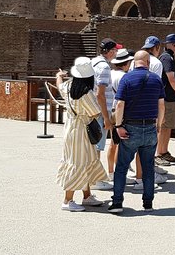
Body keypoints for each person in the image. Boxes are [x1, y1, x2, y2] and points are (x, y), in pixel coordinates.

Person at [110, 51, 165, 213]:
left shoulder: (127, 78)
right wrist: (159, 125)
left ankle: (117, 203)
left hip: (130, 127)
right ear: (147, 62)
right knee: (148, 167)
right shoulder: (156, 79)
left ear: (134, 62)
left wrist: (119, 125)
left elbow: (120, 104)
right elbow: (161, 105)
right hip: (149, 127)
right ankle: (148, 203)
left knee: (121, 167)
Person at [56, 57, 108, 211]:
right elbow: (95, 112)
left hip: (71, 127)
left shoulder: (68, 86)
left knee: (81, 161)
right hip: (82, 130)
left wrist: (59, 75)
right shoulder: (86, 93)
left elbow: (59, 86)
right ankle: (67, 200)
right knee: (79, 162)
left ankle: (87, 196)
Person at [129, 36, 168, 186]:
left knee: (136, 142)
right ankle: (148, 172)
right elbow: (155, 87)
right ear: (157, 47)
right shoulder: (157, 63)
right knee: (149, 142)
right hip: (150, 105)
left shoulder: (134, 61)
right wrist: (160, 115)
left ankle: (138, 172)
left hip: (133, 105)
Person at [90, 38, 120, 189]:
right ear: (109, 51)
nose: (116, 52)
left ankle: (93, 177)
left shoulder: (93, 62)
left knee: (93, 146)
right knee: (97, 146)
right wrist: (107, 118)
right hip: (100, 111)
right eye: (115, 50)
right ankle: (95, 180)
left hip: (91, 110)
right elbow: (100, 94)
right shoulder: (104, 67)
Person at [155, 33, 175, 166]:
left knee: (168, 126)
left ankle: (164, 151)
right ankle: (159, 154)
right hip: (167, 97)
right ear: (173, 45)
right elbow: (171, 78)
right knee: (164, 126)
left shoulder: (168, 57)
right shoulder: (167, 58)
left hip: (169, 97)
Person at [108, 48, 134, 184]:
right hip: (120, 111)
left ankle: (111, 172)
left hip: (110, 109)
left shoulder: (109, 74)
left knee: (113, 143)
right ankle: (120, 174)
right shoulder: (124, 77)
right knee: (122, 144)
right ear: (126, 63)